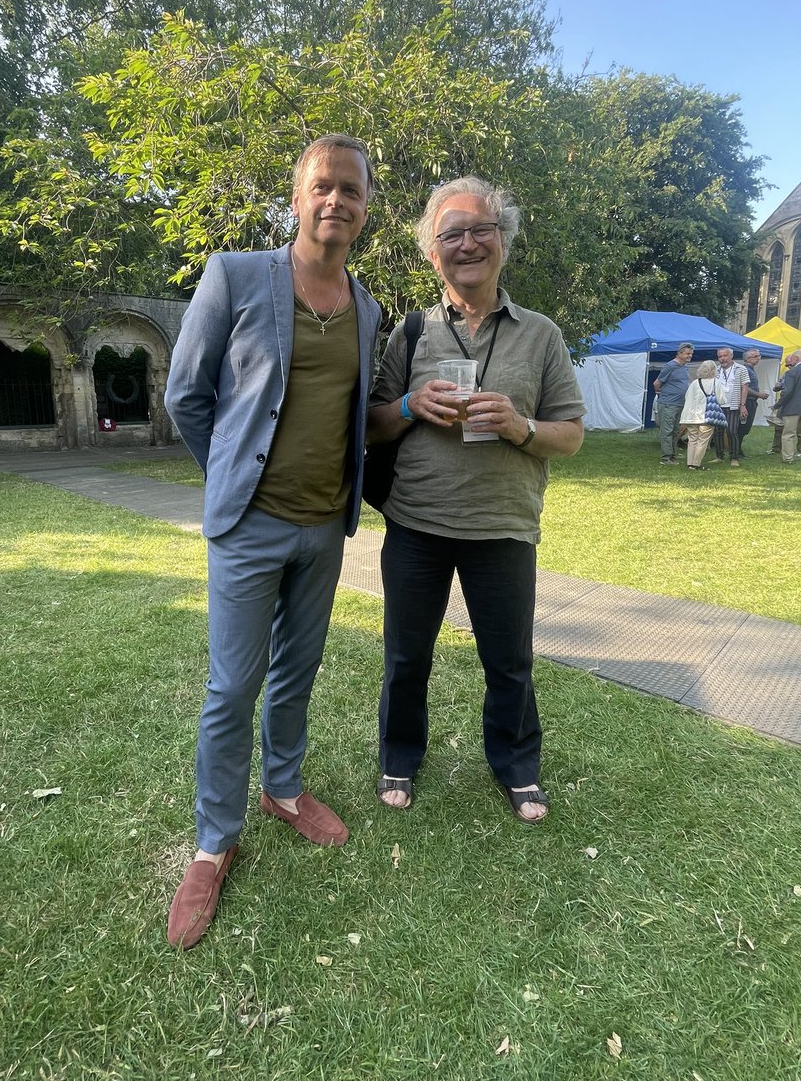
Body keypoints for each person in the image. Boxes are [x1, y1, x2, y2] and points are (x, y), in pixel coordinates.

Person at [163, 134, 382, 949]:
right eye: (322, 186)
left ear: (365, 208)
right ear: (297, 198)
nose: (336, 201)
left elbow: (363, 413)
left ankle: (282, 788)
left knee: (300, 668)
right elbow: (187, 395)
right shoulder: (234, 276)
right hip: (249, 528)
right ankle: (214, 842)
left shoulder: (368, 306)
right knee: (231, 686)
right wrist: (232, 480)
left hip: (326, 527)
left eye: (351, 190)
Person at [366, 177, 585, 824]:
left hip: (503, 527)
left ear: (503, 242)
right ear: (433, 254)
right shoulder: (409, 333)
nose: (468, 244)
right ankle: (399, 756)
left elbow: (571, 433)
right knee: (406, 655)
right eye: (451, 234)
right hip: (416, 524)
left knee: (509, 661)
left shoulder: (541, 336)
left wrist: (520, 426)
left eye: (481, 230)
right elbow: (372, 423)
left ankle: (517, 767)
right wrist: (408, 405)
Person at [652, 342, 694, 464]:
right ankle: (666, 458)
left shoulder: (685, 367)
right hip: (668, 404)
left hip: (679, 404)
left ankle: (673, 454)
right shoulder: (670, 366)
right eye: (687, 353)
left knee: (676, 431)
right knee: (667, 430)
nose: (689, 356)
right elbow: (657, 383)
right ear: (680, 353)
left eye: (691, 354)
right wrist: (660, 395)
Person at [679, 361, 721, 469]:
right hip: (706, 415)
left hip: (691, 416)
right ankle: (696, 464)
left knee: (692, 439)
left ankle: (690, 463)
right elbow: (721, 400)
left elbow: (687, 397)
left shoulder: (694, 383)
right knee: (702, 440)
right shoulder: (716, 382)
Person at [711, 346, 749, 467]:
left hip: (733, 405)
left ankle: (734, 457)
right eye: (720, 356)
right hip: (719, 405)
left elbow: (745, 388)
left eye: (725, 355)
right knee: (718, 431)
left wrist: (742, 405)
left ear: (731, 356)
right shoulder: (716, 370)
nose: (722, 358)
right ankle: (719, 456)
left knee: (732, 431)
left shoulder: (741, 369)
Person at [779, 348, 801, 464]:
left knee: (788, 434)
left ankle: (788, 458)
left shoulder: (791, 372)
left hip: (792, 407)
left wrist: (778, 404)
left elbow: (788, 391)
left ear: (796, 358)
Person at [739, 347, 769, 455]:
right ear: (748, 358)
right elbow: (744, 387)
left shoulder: (750, 369)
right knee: (743, 425)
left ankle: (738, 448)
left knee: (745, 426)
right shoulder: (746, 370)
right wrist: (758, 394)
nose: (758, 358)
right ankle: (737, 449)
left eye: (758, 356)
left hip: (751, 400)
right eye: (756, 356)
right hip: (747, 401)